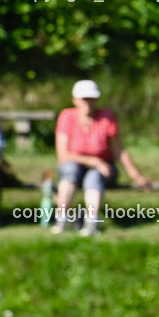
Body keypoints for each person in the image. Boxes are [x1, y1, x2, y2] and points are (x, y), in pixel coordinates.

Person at [52, 79, 151, 236]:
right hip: (76, 166)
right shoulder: (67, 117)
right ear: (75, 100)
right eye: (84, 99)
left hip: (103, 168)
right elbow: (63, 155)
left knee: (95, 177)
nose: (88, 103)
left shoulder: (107, 118)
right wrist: (95, 161)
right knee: (70, 171)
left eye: (91, 99)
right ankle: (61, 219)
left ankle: (92, 222)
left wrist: (136, 176)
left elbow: (119, 150)